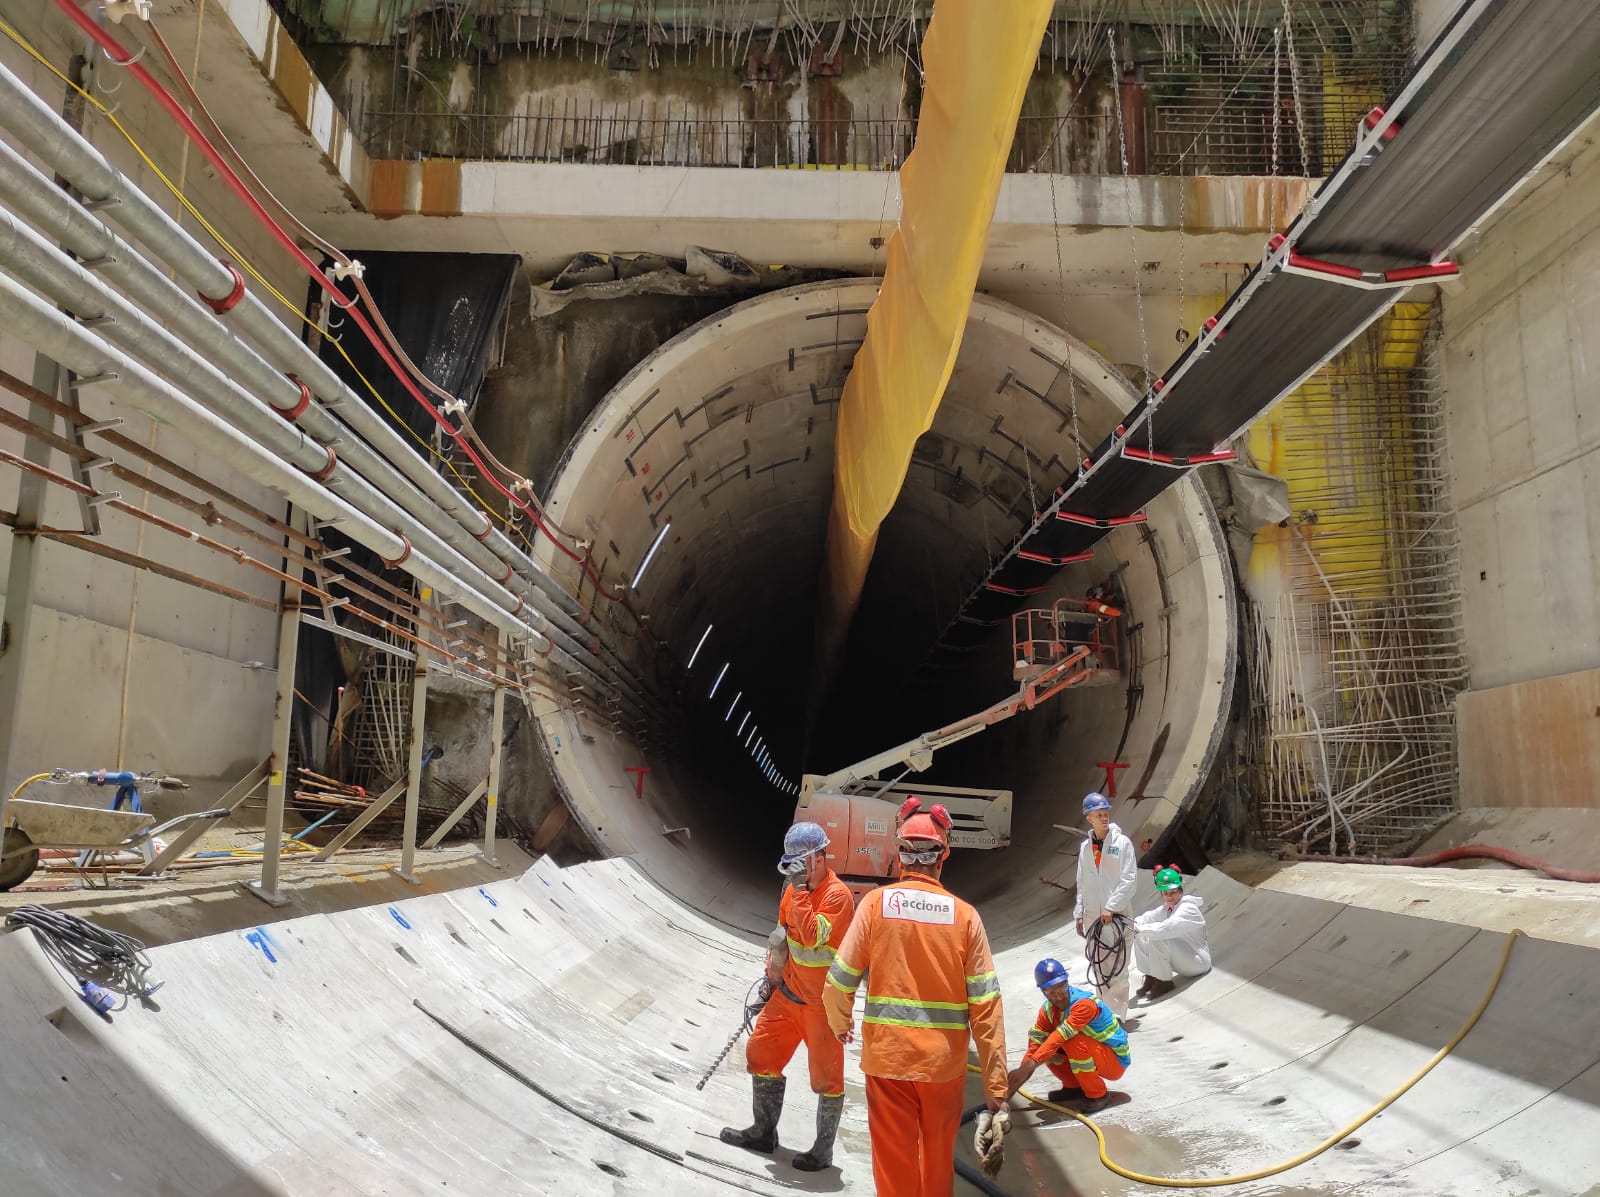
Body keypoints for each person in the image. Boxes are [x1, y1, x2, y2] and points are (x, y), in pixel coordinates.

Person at [822, 796, 1008, 1197]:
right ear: (944, 855)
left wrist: (841, 1024)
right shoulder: (965, 917)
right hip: (942, 1068)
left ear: (900, 853)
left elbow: (837, 983)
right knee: (936, 1161)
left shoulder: (874, 906)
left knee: (894, 1163)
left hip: (888, 1060)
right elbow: (987, 1009)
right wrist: (995, 1088)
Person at [720, 821, 856, 1171]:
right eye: (792, 864)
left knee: (828, 1078)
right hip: (788, 994)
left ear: (820, 858)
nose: (796, 870)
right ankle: (764, 1133)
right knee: (760, 1052)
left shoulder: (836, 896)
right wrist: (770, 980)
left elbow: (812, 937)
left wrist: (798, 892)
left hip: (822, 1006)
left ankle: (822, 1152)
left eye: (802, 862)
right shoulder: (791, 890)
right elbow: (781, 938)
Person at [1004, 957, 1130, 1115]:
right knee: (1044, 1047)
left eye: (1062, 989)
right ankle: (1074, 1087)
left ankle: (1098, 1095)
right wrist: (1022, 1073)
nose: (1059, 996)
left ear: (1067, 983)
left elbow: (1061, 1036)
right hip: (1097, 1054)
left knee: (1069, 1042)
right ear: (1043, 992)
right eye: (1051, 992)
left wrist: (1031, 1065)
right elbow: (1036, 1046)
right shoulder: (1047, 1011)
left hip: (1114, 1060)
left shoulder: (1084, 1005)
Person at [1074, 791, 1137, 1019]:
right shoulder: (1085, 848)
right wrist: (1079, 914)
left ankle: (1118, 1018)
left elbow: (1129, 880)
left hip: (1116, 917)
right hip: (1093, 919)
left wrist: (1111, 907)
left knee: (1118, 969)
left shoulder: (1122, 844)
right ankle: (1106, 1017)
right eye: (1098, 814)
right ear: (1088, 818)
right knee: (1100, 969)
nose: (1103, 818)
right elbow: (1082, 882)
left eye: (1105, 813)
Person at [1131, 865, 1211, 1001]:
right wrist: (1134, 926)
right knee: (1139, 935)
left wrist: (1140, 929)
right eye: (1165, 893)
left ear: (1180, 890)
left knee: (1156, 936)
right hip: (1185, 959)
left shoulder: (1188, 909)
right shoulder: (1166, 909)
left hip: (1198, 962)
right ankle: (1152, 976)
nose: (1169, 897)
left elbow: (1167, 928)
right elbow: (1146, 918)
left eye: (1172, 892)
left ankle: (1164, 982)